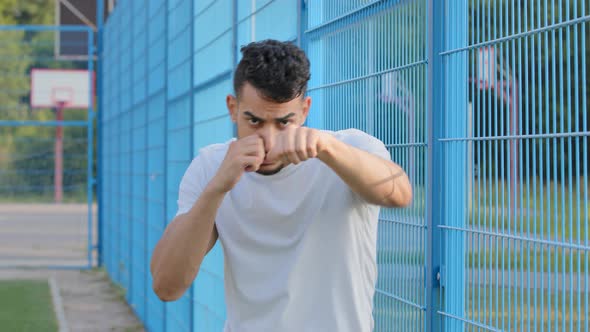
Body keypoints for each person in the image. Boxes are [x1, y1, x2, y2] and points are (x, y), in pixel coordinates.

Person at [150, 39, 412, 332]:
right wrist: (216, 190)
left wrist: (328, 150)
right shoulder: (211, 168)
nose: (268, 140)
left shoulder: (349, 148)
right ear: (232, 108)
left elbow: (400, 194)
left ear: (304, 110)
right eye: (254, 121)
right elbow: (166, 286)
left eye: (284, 122)